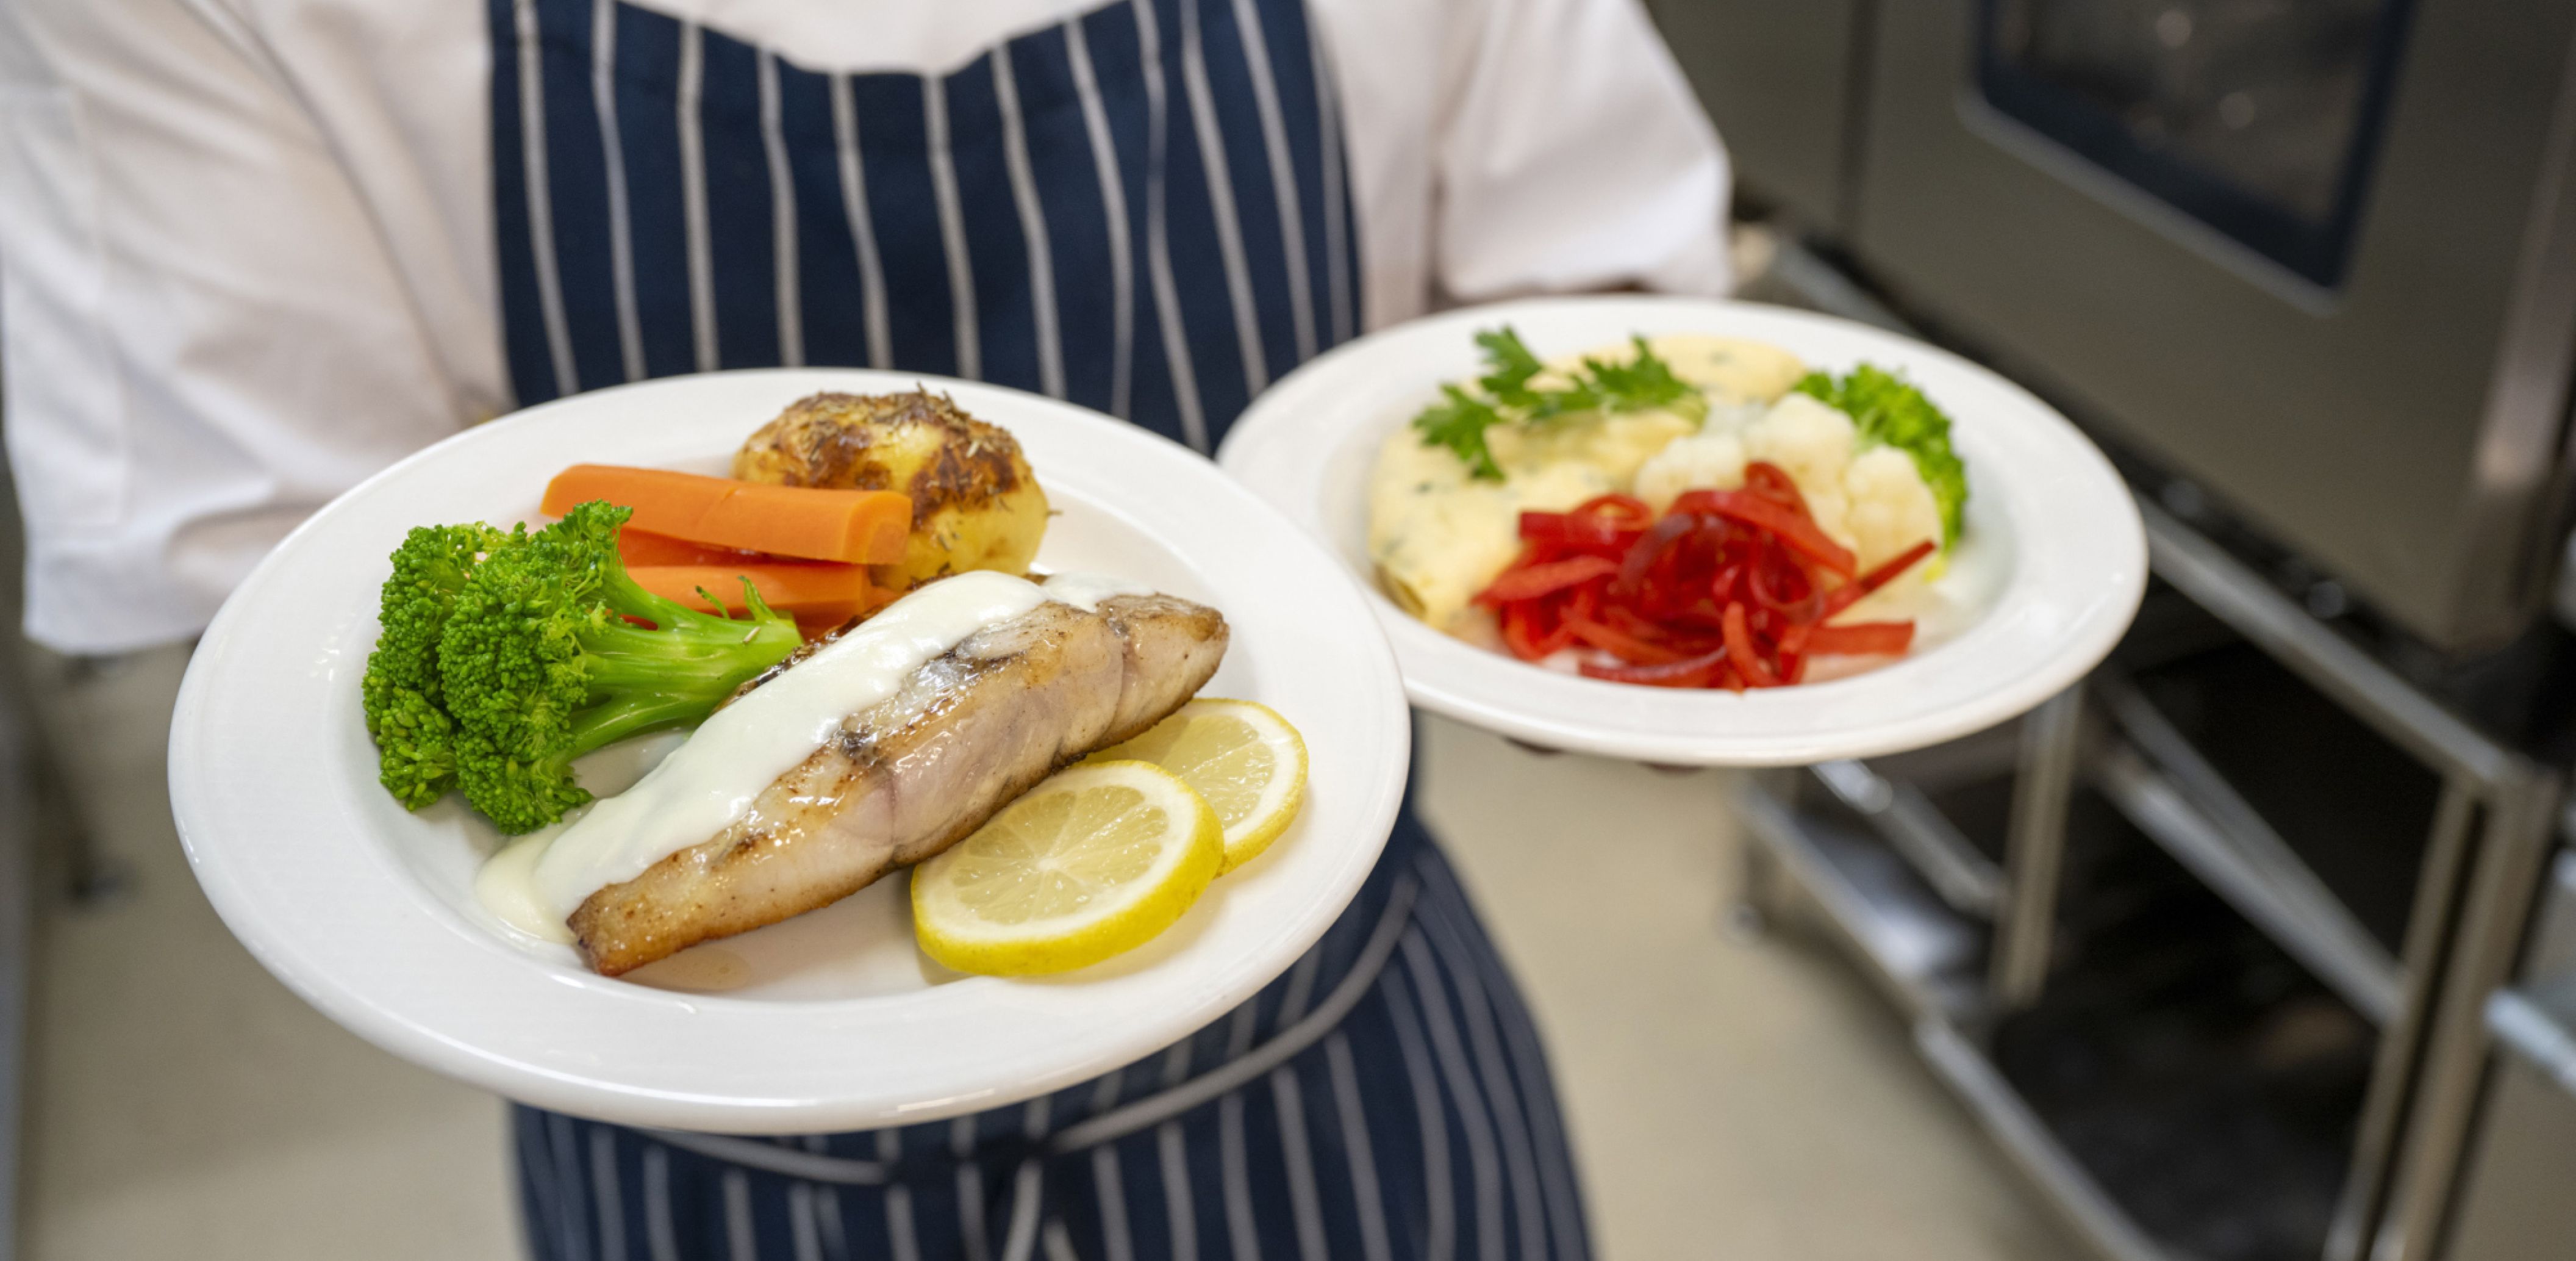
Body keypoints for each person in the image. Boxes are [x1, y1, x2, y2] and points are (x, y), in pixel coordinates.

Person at [0, 0, 1730, 1256]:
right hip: (687, 1134)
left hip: (1332, 1043)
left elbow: (1593, 326)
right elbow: (274, 603)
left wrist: (1595, 642)